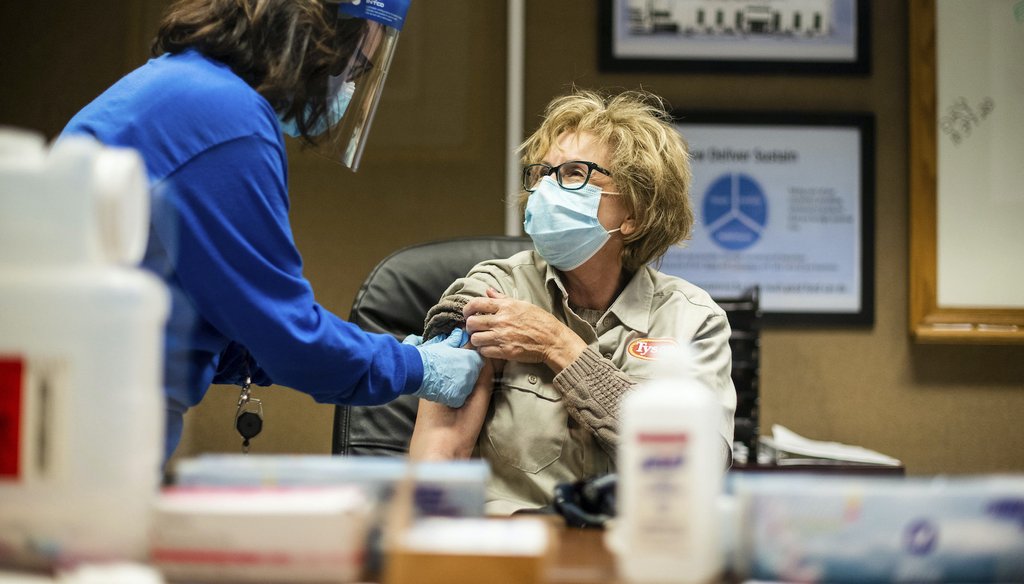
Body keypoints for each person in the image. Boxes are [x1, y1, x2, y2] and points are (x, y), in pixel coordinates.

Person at [60, 0, 482, 462]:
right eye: (355, 67)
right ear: (319, 36)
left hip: (77, 401)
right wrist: (415, 367)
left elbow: (179, 323)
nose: (351, 85)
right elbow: (289, 335)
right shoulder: (226, 116)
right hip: (82, 423)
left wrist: (260, 355)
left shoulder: (177, 85)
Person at [408, 89, 736, 515]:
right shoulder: (491, 291)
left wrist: (558, 345)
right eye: (543, 173)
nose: (547, 188)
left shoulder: (692, 320)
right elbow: (438, 461)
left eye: (576, 173)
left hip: (637, 555)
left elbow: (699, 468)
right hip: (513, 556)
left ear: (634, 213)